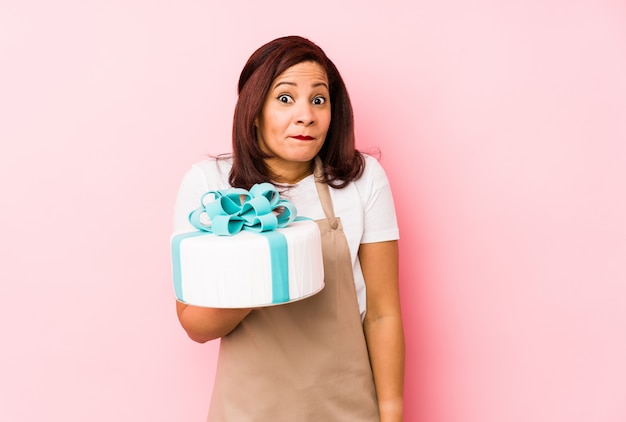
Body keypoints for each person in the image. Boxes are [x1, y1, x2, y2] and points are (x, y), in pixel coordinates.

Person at [173, 35, 404, 421]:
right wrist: (265, 252)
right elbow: (195, 325)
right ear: (254, 110)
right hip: (248, 410)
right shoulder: (211, 186)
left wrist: (391, 413)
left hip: (346, 406)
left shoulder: (363, 180)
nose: (306, 116)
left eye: (318, 99)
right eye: (284, 98)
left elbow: (382, 314)